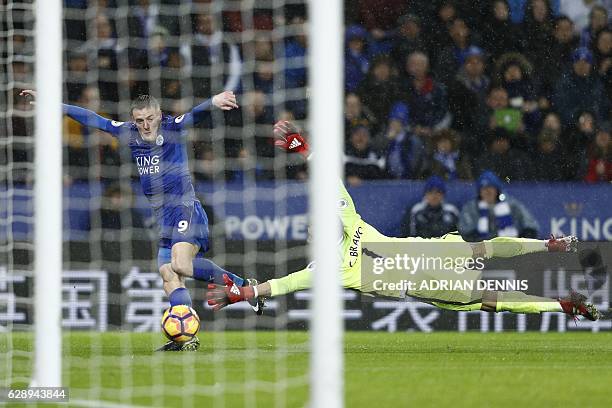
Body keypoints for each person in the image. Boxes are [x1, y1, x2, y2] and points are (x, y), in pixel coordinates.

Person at [206, 121, 600, 323]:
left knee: (490, 250)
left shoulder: (349, 226)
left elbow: (330, 180)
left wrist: (305, 149)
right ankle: (562, 303)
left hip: (428, 253)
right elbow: (285, 284)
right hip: (426, 280)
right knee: (494, 298)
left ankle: (550, 249)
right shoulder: (329, 265)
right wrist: (246, 294)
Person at [20, 89, 263, 351]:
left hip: (185, 208)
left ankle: (242, 286)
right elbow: (94, 119)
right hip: (163, 217)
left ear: (159, 115)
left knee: (180, 264)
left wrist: (213, 102)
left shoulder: (172, 128)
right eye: (139, 120)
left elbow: (194, 115)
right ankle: (185, 339)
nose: (145, 125)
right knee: (168, 274)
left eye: (150, 119)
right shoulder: (129, 134)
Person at [459, 171, 539, 242]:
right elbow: (464, 232)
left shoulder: (511, 204)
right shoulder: (471, 208)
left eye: (490, 188)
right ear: (479, 191)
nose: (488, 192)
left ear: (497, 190)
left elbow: (530, 226)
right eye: (484, 189)